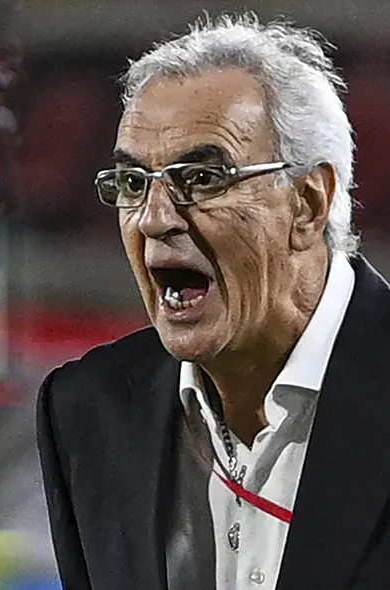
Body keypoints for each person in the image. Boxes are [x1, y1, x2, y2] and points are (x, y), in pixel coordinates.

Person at [37, 14, 390, 590]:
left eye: (201, 177)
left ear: (308, 201)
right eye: (132, 184)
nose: (153, 219)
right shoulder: (85, 409)